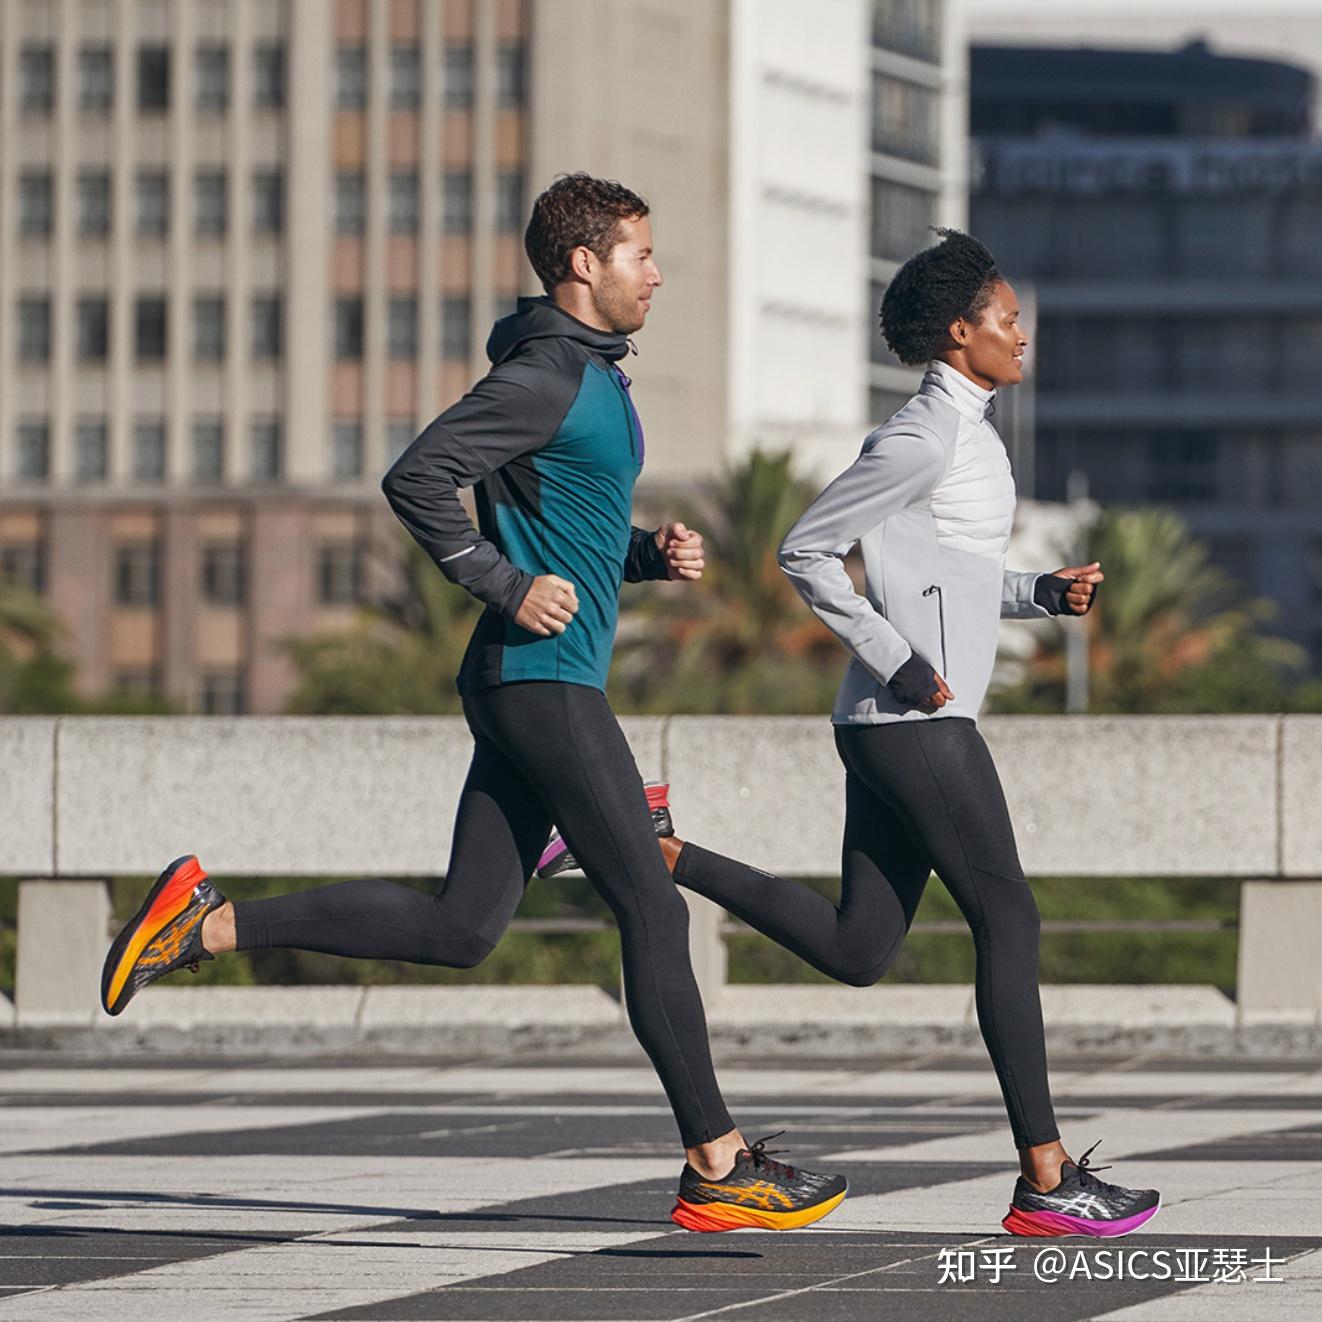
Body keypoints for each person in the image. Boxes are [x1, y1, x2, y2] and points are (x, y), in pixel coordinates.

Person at [100, 173, 846, 1235]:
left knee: (461, 926)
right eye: (640, 253)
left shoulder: (588, 373)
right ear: (582, 264)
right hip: (538, 686)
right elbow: (417, 477)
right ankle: (716, 1162)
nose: (656, 271)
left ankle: (202, 923)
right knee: (651, 901)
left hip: (533, 679)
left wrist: (640, 558)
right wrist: (497, 582)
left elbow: (558, 526)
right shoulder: (546, 372)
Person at [656, 229, 1161, 1239]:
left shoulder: (965, 433)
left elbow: (944, 575)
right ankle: (1045, 1176)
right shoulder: (923, 434)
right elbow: (805, 549)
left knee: (858, 946)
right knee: (1007, 915)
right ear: (958, 331)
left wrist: (1038, 592)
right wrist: (896, 659)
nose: (1022, 333)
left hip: (891, 722)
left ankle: (655, 846)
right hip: (913, 720)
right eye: (1007, 318)